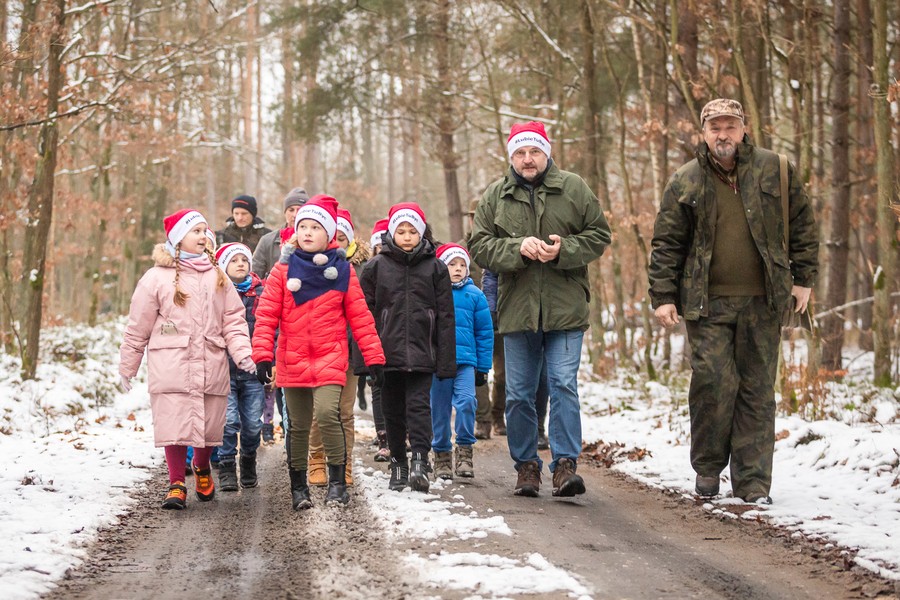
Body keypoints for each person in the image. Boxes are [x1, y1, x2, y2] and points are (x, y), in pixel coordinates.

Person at [649, 98, 818, 504]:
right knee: (712, 385)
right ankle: (707, 469)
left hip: (765, 300)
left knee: (757, 391)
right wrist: (663, 296)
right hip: (706, 303)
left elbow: (803, 226)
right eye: (715, 128)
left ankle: (753, 483)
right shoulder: (685, 179)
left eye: (730, 126)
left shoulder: (775, 168)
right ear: (703, 133)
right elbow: (666, 243)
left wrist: (804, 280)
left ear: (744, 129)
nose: (722, 134)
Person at [470, 121, 611, 498]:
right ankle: (527, 466)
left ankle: (565, 466)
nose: (527, 159)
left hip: (565, 309)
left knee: (564, 385)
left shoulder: (573, 187)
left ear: (546, 153)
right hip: (517, 310)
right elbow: (479, 245)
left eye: (534, 151)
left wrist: (563, 249)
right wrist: (516, 248)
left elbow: (599, 235)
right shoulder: (496, 195)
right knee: (518, 393)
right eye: (520, 152)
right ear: (511, 157)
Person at [252, 195, 385, 509]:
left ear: (329, 234)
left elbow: (361, 317)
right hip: (292, 357)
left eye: (316, 227)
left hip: (330, 355)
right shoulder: (282, 272)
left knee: (328, 413)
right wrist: (262, 355)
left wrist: (374, 356)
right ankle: (299, 488)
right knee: (297, 424)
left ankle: (337, 483)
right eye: (303, 227)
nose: (308, 232)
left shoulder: (343, 271)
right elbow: (266, 316)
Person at [119, 209, 255, 510]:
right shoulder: (155, 278)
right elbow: (138, 325)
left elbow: (233, 318)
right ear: (178, 239)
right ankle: (176, 482)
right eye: (196, 231)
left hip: (210, 360)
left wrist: (243, 353)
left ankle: (203, 468)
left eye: (206, 230)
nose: (204, 236)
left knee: (208, 427)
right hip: (171, 364)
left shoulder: (218, 276)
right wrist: (128, 367)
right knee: (174, 424)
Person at [360, 202, 456, 493]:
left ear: (422, 233)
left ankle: (419, 460)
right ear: (391, 233)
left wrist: (446, 361)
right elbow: (364, 314)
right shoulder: (376, 267)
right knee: (392, 411)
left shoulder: (436, 267)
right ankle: (398, 463)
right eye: (400, 231)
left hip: (422, 353)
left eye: (412, 231)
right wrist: (365, 360)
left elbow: (445, 316)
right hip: (385, 355)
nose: (406, 236)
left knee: (418, 408)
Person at [306, 206, 371, 487]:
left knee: (345, 412)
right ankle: (317, 459)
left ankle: (343, 463)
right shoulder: (313, 268)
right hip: (320, 351)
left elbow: (367, 314)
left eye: (345, 239)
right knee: (320, 411)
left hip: (351, 352)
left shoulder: (364, 270)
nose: (340, 244)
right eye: (337, 238)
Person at [430, 243, 493, 480]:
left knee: (467, 402)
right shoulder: (433, 293)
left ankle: (465, 451)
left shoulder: (475, 295)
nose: (457, 269)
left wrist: (483, 367)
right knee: (439, 410)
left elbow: (484, 333)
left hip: (466, 362)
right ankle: (442, 455)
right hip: (438, 363)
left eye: (462, 265)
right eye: (452, 264)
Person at [253, 187, 309, 443]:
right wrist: (275, 288)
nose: (294, 214)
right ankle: (283, 422)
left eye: (299, 209)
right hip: (276, 309)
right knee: (278, 370)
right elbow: (256, 273)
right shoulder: (269, 241)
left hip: (306, 313)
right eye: (291, 209)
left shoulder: (314, 239)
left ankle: (295, 424)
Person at [214, 242, 266, 492]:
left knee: (252, 424)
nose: (240, 264)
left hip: (253, 371)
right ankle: (226, 466)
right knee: (228, 421)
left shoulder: (261, 292)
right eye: (233, 261)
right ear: (223, 266)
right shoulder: (216, 292)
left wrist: (269, 359)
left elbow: (270, 328)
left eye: (244, 260)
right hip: (223, 370)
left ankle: (248, 459)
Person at [365, 217, 391, 462]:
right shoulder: (369, 269)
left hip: (395, 336)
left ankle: (399, 435)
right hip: (374, 336)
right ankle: (383, 437)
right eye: (378, 246)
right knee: (377, 389)